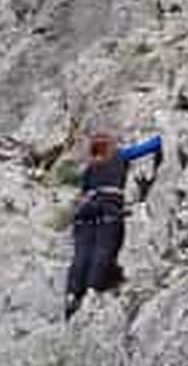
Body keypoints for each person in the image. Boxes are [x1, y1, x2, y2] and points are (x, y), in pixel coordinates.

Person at [64, 129, 163, 319]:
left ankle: (72, 293)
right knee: (103, 249)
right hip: (108, 207)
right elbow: (152, 145)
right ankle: (93, 290)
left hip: (85, 212)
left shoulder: (90, 167)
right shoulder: (119, 156)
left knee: (82, 253)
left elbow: (83, 193)